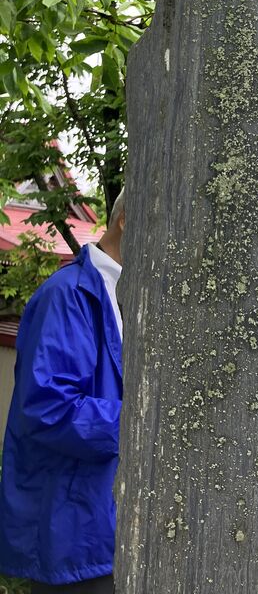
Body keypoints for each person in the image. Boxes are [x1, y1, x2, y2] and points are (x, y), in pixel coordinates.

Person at [0, 191, 125, 593]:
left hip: (117, 526)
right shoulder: (68, 295)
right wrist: (145, 425)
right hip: (76, 533)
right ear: (127, 219)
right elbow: (49, 407)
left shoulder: (133, 295)